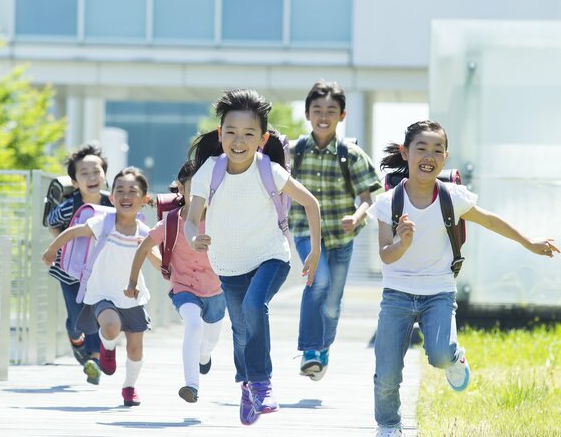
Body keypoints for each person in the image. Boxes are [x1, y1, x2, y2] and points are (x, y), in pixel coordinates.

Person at [368, 120, 560, 437]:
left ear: (445, 157)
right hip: (396, 295)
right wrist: (402, 243)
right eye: (421, 148)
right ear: (405, 153)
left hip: (439, 292)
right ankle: (389, 425)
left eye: (437, 150)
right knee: (386, 373)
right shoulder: (390, 203)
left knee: (441, 355)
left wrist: (528, 242)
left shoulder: (451, 197)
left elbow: (490, 221)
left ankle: (456, 358)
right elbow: (385, 255)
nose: (429, 155)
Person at [184, 89, 322, 425]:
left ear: (261, 139)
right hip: (228, 264)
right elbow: (190, 219)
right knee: (241, 329)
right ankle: (246, 384)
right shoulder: (209, 172)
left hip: (270, 256)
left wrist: (315, 250)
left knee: (252, 306)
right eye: (231, 132)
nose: (238, 140)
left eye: (248, 134)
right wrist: (194, 239)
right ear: (220, 135)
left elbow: (311, 203)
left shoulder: (268, 170)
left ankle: (262, 383)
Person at [290, 79, 381, 380]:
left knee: (331, 304)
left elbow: (368, 197)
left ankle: (323, 348)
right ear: (307, 114)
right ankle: (310, 350)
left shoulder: (350, 154)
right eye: (317, 110)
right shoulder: (295, 152)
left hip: (342, 238)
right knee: (318, 282)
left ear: (342, 115)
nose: (323, 116)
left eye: (331, 110)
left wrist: (356, 217)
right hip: (305, 232)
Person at [43, 167, 157, 407]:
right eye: (120, 191)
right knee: (110, 325)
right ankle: (107, 348)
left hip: (132, 296)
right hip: (102, 293)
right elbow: (75, 230)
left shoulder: (146, 232)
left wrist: (148, 250)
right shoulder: (103, 222)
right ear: (112, 197)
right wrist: (53, 248)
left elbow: (158, 262)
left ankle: (129, 387)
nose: (126, 196)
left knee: (136, 350)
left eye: (133, 191)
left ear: (144, 199)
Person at [124, 160, 225, 404]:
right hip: (184, 289)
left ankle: (203, 356)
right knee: (193, 324)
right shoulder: (171, 222)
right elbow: (143, 248)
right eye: (195, 190)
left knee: (210, 340)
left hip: (216, 291)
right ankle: (191, 385)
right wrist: (132, 282)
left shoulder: (221, 220)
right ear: (181, 188)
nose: (202, 196)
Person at [45, 144, 111, 382]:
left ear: (105, 175)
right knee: (76, 319)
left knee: (92, 312)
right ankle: (75, 338)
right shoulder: (68, 206)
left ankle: (93, 360)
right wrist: (63, 243)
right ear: (74, 181)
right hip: (69, 273)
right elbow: (52, 222)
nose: (91, 178)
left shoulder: (112, 205)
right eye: (84, 174)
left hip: (98, 273)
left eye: (96, 172)